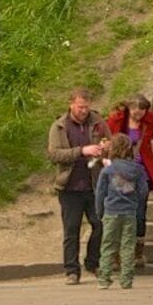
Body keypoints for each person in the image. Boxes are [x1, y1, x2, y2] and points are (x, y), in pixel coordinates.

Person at [46, 90, 107, 285]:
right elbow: (54, 154)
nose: (84, 111)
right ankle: (71, 270)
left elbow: (110, 142)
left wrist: (104, 147)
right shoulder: (59, 126)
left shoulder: (98, 121)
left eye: (86, 107)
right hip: (70, 186)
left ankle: (92, 262)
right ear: (71, 104)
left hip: (94, 184)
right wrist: (82, 151)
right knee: (71, 230)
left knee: (99, 225)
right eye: (80, 107)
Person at [91, 112, 151, 289]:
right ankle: (126, 279)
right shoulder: (138, 170)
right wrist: (134, 202)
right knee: (127, 246)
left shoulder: (108, 171)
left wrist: (100, 212)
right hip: (130, 212)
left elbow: (100, 193)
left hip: (111, 211)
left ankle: (104, 278)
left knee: (108, 245)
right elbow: (143, 191)